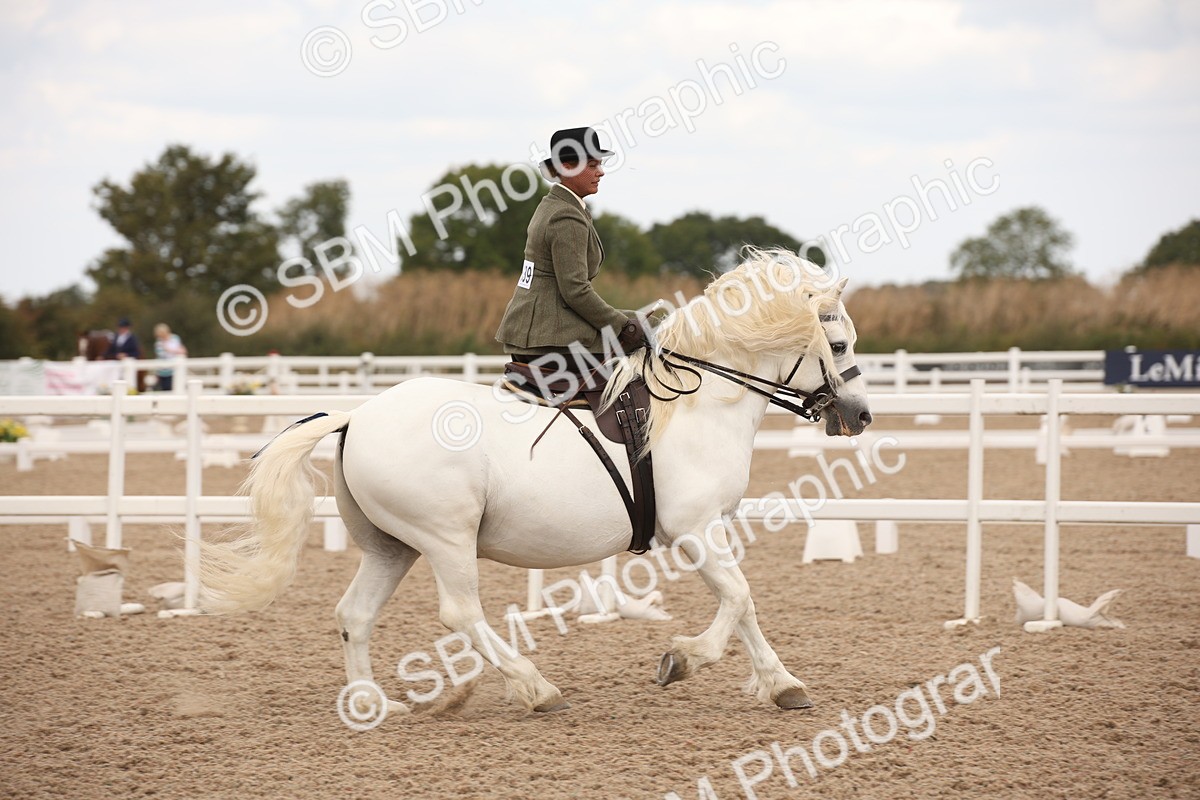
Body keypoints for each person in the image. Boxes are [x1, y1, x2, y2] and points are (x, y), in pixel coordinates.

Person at [495, 126, 649, 381]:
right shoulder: (565, 216)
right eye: (592, 165)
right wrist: (621, 326)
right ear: (566, 168)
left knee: (642, 324)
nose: (601, 172)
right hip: (549, 338)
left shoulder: (555, 205)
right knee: (644, 348)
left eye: (599, 164)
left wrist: (627, 322)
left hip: (540, 328)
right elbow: (575, 290)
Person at [152, 323, 187, 392]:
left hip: (174, 369)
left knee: (174, 387)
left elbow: (182, 350)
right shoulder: (158, 343)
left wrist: (169, 350)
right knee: (164, 389)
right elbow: (161, 355)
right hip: (162, 371)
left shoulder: (175, 338)